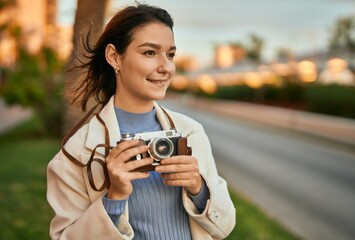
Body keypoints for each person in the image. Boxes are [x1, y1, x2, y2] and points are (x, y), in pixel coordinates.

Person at [47, 3, 236, 240]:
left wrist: (198, 188)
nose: (165, 67)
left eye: (170, 55)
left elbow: (225, 225)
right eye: (150, 52)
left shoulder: (191, 132)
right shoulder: (75, 153)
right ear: (114, 57)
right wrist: (114, 198)